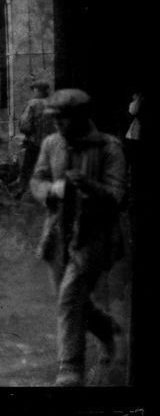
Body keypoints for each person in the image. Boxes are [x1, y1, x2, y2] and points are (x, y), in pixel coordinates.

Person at [30, 88, 127, 387]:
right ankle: (107, 330)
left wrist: (89, 186)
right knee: (73, 300)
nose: (58, 125)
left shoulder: (109, 148)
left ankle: (70, 368)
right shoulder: (51, 144)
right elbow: (37, 180)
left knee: (69, 299)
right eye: (55, 119)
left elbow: (117, 195)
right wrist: (52, 190)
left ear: (82, 117)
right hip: (58, 236)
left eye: (64, 119)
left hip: (94, 237)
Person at [15, 80, 55, 201]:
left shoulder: (33, 104)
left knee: (28, 167)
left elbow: (25, 125)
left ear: (37, 90)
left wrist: (27, 132)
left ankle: (22, 191)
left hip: (35, 142)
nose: (33, 91)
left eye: (34, 89)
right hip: (51, 143)